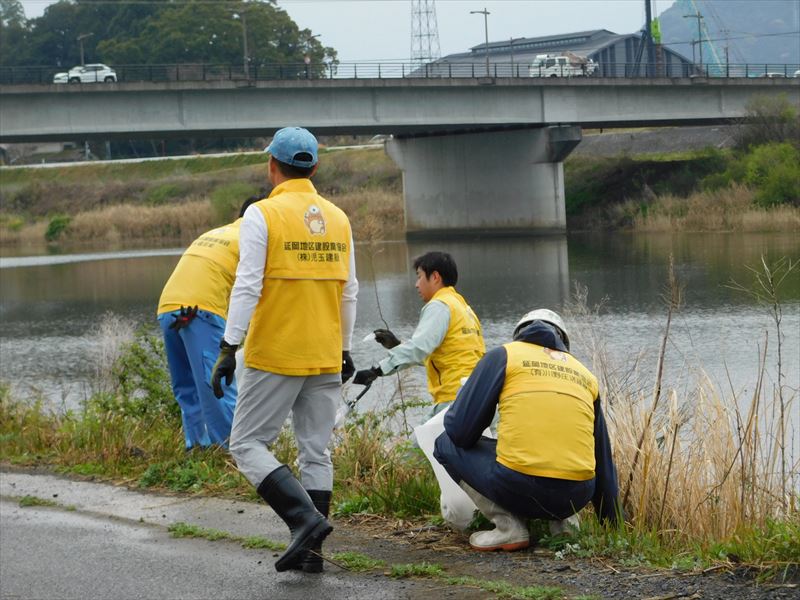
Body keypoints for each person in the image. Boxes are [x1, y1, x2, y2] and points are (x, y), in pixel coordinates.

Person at [210, 127, 358, 574]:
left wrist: (228, 345)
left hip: (275, 353)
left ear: (272, 166)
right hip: (326, 352)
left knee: (247, 443)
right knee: (316, 451)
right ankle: (312, 554)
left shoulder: (262, 214)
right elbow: (349, 291)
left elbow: (248, 283)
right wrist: (345, 348)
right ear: (313, 167)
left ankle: (303, 521)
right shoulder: (339, 218)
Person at [433, 309, 622, 552]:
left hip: (518, 487)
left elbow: (460, 432)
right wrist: (615, 530)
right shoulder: (586, 376)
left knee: (445, 442)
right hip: (574, 498)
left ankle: (508, 527)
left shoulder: (504, 355)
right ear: (564, 343)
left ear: (519, 335)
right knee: (562, 457)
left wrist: (464, 402)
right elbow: (603, 464)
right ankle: (565, 528)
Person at [157, 197, 258, 450]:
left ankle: (198, 450)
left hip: (168, 308)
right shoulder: (254, 238)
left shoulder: (217, 232)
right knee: (218, 386)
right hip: (200, 310)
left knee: (187, 387)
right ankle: (233, 454)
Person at [353, 251, 485, 413]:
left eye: (419, 276)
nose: (416, 284)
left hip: (454, 400)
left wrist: (377, 369)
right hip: (476, 396)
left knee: (423, 440)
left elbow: (418, 348)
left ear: (435, 277)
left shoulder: (439, 306)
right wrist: (397, 346)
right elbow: (447, 356)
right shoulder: (464, 308)